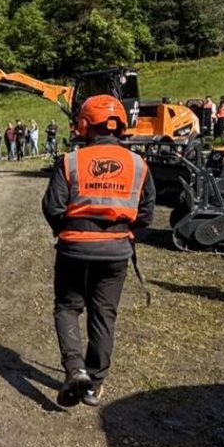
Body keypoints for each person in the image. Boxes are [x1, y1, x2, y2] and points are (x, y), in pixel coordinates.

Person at [41, 95, 155, 408]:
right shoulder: (138, 164)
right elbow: (146, 213)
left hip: (74, 248)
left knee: (67, 307)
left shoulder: (71, 161)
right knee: (104, 314)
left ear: (84, 125)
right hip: (117, 252)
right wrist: (125, 234)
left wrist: (63, 230)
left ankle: (75, 368)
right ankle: (94, 384)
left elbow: (52, 206)